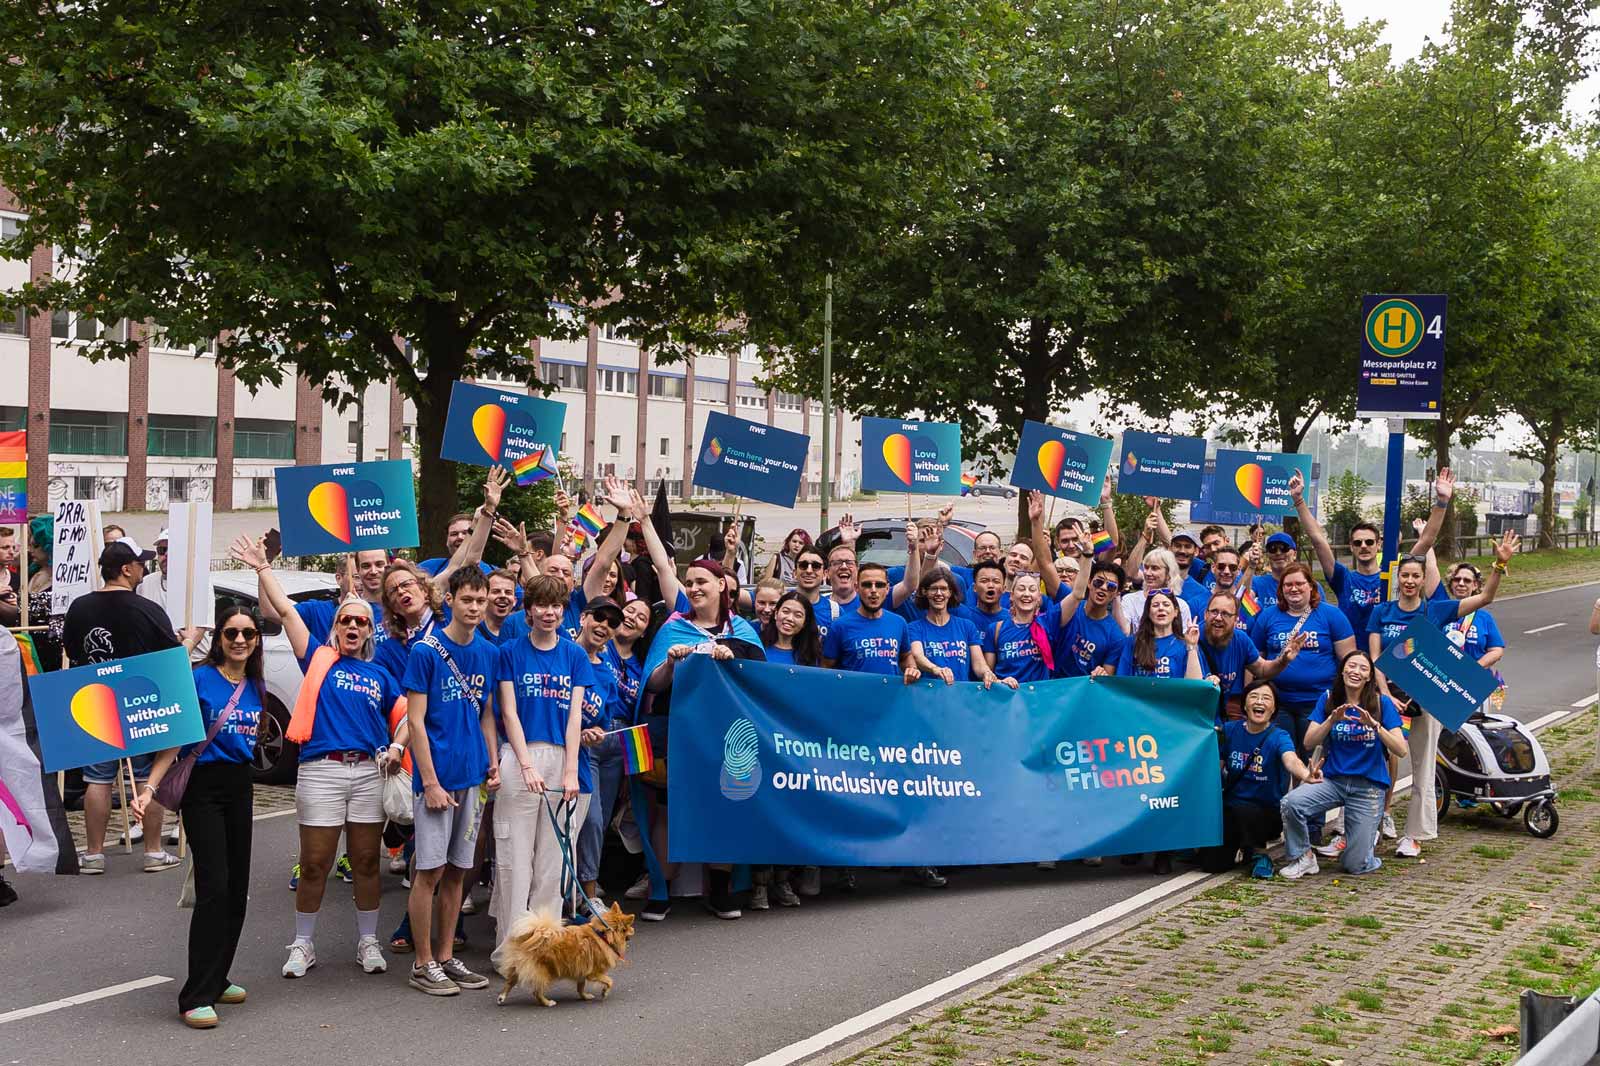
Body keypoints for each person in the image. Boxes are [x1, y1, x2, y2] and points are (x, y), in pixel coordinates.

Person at [232, 535, 405, 979]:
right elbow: (287, 611)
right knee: (314, 864)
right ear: (336, 626)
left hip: (368, 772)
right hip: (321, 772)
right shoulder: (317, 658)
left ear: (370, 631)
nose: (352, 628)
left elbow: (405, 716)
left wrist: (397, 747)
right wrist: (262, 568)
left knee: (367, 861)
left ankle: (368, 942)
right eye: (345, 621)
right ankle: (303, 944)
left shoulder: (381, 673)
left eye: (360, 624)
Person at [137, 604, 265, 1028]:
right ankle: (195, 994)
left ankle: (218, 974)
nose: (241, 640)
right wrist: (150, 788)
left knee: (237, 888)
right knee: (214, 887)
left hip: (239, 786)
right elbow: (176, 740)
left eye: (248, 632)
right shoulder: (199, 678)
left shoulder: (255, 685)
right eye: (231, 633)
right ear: (219, 638)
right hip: (203, 788)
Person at [1367, 532, 1515, 859]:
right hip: (1385, 698)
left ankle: (1415, 835)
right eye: (1404, 575)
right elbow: (1376, 658)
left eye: (1415, 576)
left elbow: (1485, 598)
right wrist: (1383, 694)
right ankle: (1368, 828)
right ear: (1397, 578)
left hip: (1425, 699)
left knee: (1422, 766)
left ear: (1423, 581)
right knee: (1373, 763)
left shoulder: (1436, 611)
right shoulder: (1382, 612)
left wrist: (1500, 564)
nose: (1409, 581)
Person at [636, 556, 762, 919]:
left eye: (701, 581)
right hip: (678, 735)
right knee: (667, 808)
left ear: (722, 585)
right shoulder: (673, 629)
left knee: (727, 803)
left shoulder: (744, 631)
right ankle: (661, 888)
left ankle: (720, 888)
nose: (693, 588)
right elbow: (653, 686)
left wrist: (734, 658)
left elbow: (760, 683)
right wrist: (671, 664)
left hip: (728, 737)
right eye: (688, 582)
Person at [64, 540, 199, 875]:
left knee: (97, 779)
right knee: (145, 779)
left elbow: (71, 650)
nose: (144, 568)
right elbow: (172, 660)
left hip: (94, 702)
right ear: (126, 569)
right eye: (140, 564)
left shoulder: (79, 608)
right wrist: (190, 641)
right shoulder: (147, 609)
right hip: (141, 702)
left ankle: (93, 854)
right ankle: (153, 852)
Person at [402, 567, 499, 997]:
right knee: (429, 870)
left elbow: (487, 714)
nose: (475, 608)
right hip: (438, 780)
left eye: (481, 601)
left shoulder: (488, 653)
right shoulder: (426, 651)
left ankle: (445, 955)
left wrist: (492, 763)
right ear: (450, 601)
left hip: (473, 777)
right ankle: (422, 962)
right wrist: (430, 780)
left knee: (460, 871)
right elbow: (416, 722)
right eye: (468, 600)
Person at [492, 574, 592, 939]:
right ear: (528, 610)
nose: (548, 613)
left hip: (562, 758)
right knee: (515, 862)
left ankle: (544, 945)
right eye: (541, 605)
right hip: (520, 757)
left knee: (553, 865)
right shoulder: (509, 653)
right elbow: (509, 712)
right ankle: (511, 948)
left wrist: (570, 772)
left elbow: (574, 717)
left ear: (564, 611)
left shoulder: (575, 655)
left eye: (556, 606)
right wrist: (525, 764)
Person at [1278, 651, 1407, 879]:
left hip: (1368, 788)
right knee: (1291, 803)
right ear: (1343, 670)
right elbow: (1309, 741)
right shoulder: (1328, 698)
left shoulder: (1381, 703)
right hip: (1333, 781)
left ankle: (1364, 843)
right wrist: (1331, 720)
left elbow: (1400, 748)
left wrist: (1375, 725)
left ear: (1369, 677)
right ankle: (1303, 857)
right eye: (1352, 666)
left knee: (1355, 865)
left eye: (1363, 668)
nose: (1356, 672)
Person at [1292, 470, 1449, 642]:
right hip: (1353, 660)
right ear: (1351, 547)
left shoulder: (1394, 576)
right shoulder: (1343, 579)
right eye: (1358, 543)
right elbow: (1318, 540)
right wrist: (1299, 501)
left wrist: (1442, 502)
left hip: (1386, 659)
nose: (1364, 546)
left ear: (1379, 544)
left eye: (1369, 542)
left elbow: (1426, 541)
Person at [1202, 681, 1319, 879]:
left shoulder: (1278, 736)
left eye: (1266, 698)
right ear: (1245, 705)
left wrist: (1306, 774)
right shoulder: (1229, 730)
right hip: (1232, 809)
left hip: (1266, 813)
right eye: (1254, 697)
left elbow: (1290, 759)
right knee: (1213, 864)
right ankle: (1241, 847)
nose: (1260, 702)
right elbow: (1216, 767)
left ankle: (1259, 853)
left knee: (1245, 811)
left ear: (1273, 708)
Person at [1248, 562, 1355, 757]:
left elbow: (1349, 661)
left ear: (1311, 586)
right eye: (1288, 585)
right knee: (1280, 756)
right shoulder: (1268, 616)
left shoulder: (1331, 615)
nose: (1294, 588)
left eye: (1299, 583)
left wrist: (1345, 697)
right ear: (1281, 589)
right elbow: (1255, 660)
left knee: (1312, 759)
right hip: (1278, 703)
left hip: (1317, 703)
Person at [574, 599, 627, 909]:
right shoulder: (564, 653)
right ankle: (587, 894)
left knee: (599, 823)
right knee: (591, 821)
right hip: (571, 753)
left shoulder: (607, 669)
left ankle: (585, 893)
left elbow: (604, 716)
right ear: (583, 618)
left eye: (611, 622)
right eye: (599, 617)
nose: (604, 625)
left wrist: (596, 731)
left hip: (600, 745)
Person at [1199, 591, 1302, 721]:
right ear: (1205, 614)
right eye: (1214, 612)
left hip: (1224, 710)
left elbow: (1262, 670)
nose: (1218, 618)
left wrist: (1283, 660)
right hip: (1195, 712)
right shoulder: (1191, 640)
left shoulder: (1241, 639)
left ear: (1236, 619)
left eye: (1225, 614)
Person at [261, 549, 392, 649]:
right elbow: (270, 612)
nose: (373, 572)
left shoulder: (397, 610)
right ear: (338, 578)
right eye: (356, 575)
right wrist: (263, 565)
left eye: (379, 565)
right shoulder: (317, 611)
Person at [822, 561, 912, 675]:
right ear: (857, 587)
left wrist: (911, 668)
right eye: (867, 585)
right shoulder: (840, 626)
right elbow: (826, 667)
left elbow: (906, 656)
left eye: (879, 585)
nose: (873, 590)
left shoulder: (899, 623)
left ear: (887, 588)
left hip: (890, 692)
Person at [906, 570, 993, 686]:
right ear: (924, 591)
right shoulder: (914, 628)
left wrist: (987, 673)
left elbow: (979, 664)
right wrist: (936, 669)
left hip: (961, 696)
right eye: (933, 588)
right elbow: (917, 656)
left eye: (943, 589)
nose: (939, 593)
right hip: (928, 697)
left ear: (950, 593)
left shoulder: (967, 626)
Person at [1054, 561, 1126, 678]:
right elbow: (1046, 566)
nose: (1103, 587)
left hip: (1082, 692)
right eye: (1098, 582)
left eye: (1111, 586)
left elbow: (1107, 678)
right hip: (1048, 685)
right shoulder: (1069, 604)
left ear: (1117, 593)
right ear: (1088, 582)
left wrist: (1101, 674)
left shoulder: (1116, 637)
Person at [1116, 591, 1202, 681]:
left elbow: (1195, 684)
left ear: (1176, 612)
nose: (1161, 608)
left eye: (1166, 604)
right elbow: (1122, 681)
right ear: (1148, 613)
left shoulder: (1186, 644)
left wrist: (1191, 646)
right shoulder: (1133, 642)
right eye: (1155, 605)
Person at [1119, 547, 1193, 634]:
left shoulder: (1181, 606)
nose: (1148, 573)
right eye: (1146, 567)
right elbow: (1124, 633)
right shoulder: (1130, 600)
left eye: (1155, 568)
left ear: (1169, 573)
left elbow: (1185, 640)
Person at [762, 591, 823, 668]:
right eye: (786, 612)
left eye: (798, 615)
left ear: (805, 622)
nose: (790, 618)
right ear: (776, 614)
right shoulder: (758, 646)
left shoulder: (810, 655)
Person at [477, 568, 528, 646]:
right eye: (496, 591)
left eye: (508, 592)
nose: (503, 596)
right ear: (484, 598)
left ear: (515, 601)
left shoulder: (525, 630)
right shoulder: (473, 632)